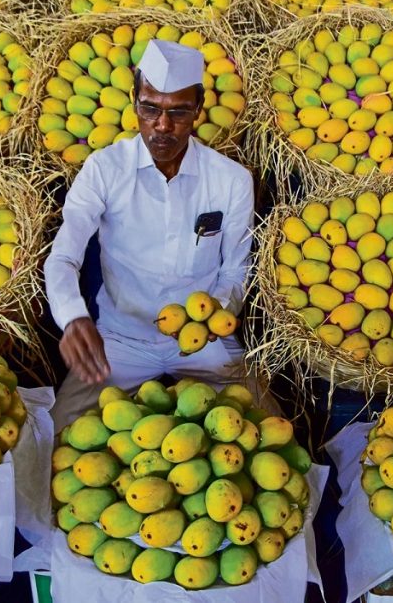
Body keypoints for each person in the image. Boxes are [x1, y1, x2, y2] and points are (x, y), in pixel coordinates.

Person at [44, 40, 254, 428]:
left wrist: (215, 316)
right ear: (133, 101)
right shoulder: (104, 169)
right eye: (150, 108)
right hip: (120, 341)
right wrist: (73, 317)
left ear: (198, 109)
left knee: (262, 431)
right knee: (56, 436)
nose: (162, 125)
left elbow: (235, 272)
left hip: (203, 345)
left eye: (178, 112)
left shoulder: (231, 181)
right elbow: (64, 257)